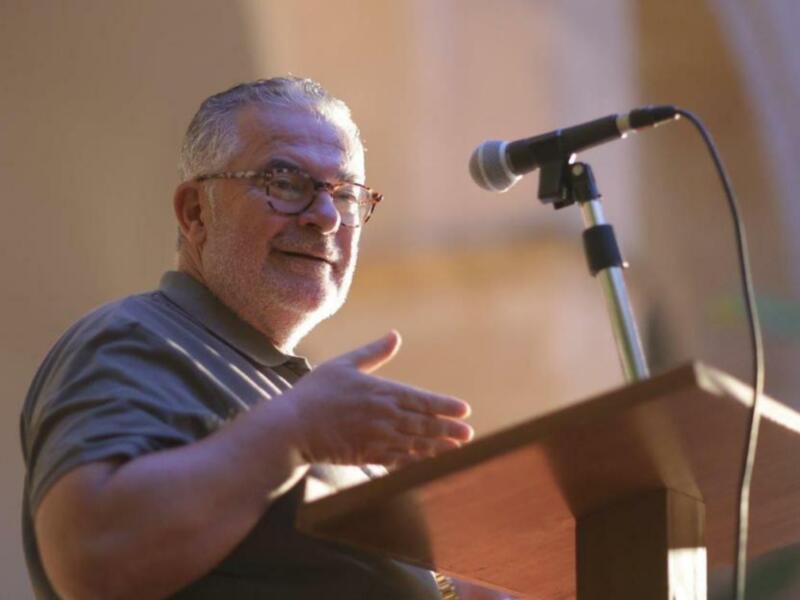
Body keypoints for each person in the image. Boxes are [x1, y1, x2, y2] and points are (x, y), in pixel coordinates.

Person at [20, 77, 487, 599]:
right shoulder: (136, 339)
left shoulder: (302, 400)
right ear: (196, 212)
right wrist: (295, 432)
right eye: (286, 183)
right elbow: (91, 561)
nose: (327, 217)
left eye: (347, 194)